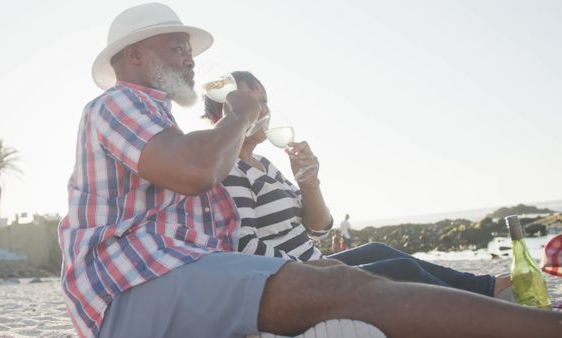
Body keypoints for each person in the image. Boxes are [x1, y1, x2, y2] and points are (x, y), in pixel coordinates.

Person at [59, 4, 562, 338]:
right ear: (135, 54)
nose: (189, 59)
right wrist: (238, 114)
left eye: (190, 49)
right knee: (348, 287)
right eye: (177, 48)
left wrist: (308, 189)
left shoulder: (160, 124)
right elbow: (198, 173)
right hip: (133, 290)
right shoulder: (118, 103)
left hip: (169, 279)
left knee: (339, 272)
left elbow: (282, 230)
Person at [205, 70, 510, 297]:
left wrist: (310, 184)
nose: (265, 111)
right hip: (293, 280)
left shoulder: (266, 166)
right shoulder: (229, 168)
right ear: (226, 110)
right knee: (400, 271)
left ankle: (486, 288)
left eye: (266, 101)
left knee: (376, 249)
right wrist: (311, 269)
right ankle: (486, 305)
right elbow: (241, 244)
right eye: (253, 102)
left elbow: (319, 230)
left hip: (314, 263)